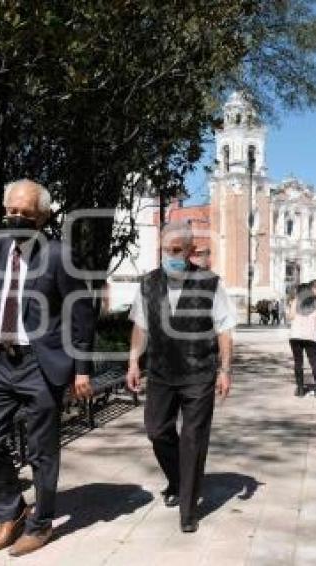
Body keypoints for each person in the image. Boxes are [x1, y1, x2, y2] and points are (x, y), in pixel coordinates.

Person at [0, 179, 95, 557]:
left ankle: (41, 524)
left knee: (41, 450)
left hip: (42, 364)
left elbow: (81, 315)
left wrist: (82, 369)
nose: (16, 217)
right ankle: (11, 512)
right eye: (12, 210)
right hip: (0, 362)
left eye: (25, 212)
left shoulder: (58, 255)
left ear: (42, 216)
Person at [126, 221, 235, 534]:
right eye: (166, 250)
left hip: (199, 372)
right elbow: (140, 326)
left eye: (177, 251)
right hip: (161, 372)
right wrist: (134, 362)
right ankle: (178, 479)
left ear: (190, 251)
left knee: (193, 439)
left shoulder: (210, 283)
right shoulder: (149, 283)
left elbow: (224, 329)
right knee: (156, 429)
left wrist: (225, 369)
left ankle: (188, 509)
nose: (170, 256)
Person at [288, 282, 316, 399]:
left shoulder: (295, 301)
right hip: (311, 336)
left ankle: (300, 389)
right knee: (314, 362)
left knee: (298, 363)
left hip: (296, 336)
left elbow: (291, 316)